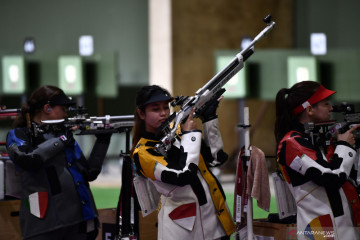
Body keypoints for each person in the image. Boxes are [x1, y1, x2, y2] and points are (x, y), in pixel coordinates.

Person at [6, 85, 112, 240]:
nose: (66, 113)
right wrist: (61, 140)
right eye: (62, 108)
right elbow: (28, 160)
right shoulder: (18, 134)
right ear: (47, 108)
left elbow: (89, 173)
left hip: (81, 220)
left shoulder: (62, 135)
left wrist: (103, 140)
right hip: (44, 224)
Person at [131, 85, 235, 240]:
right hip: (183, 229)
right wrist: (190, 135)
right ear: (141, 113)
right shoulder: (143, 153)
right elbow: (184, 175)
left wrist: (209, 119)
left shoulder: (177, 131)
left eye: (166, 107)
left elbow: (216, 158)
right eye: (155, 109)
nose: (164, 113)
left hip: (214, 223)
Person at [274, 81, 360, 240]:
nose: (331, 108)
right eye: (326, 104)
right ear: (309, 109)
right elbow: (332, 178)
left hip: (342, 225)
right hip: (319, 229)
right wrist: (344, 145)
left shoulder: (316, 139)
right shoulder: (291, 143)